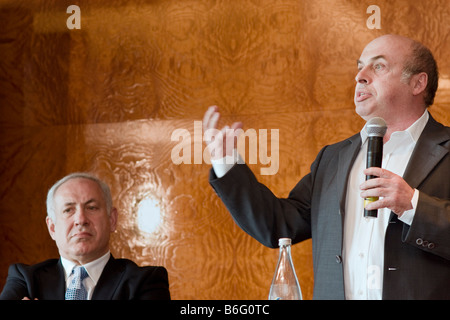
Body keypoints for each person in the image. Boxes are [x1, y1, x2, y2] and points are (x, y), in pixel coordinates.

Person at [203, 34, 449, 300]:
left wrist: (413, 205)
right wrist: (225, 163)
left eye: (378, 66)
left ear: (417, 83)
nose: (360, 76)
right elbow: (278, 225)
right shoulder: (332, 159)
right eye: (360, 67)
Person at [0, 173, 171, 300]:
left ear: (112, 220)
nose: (80, 219)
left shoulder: (147, 281)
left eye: (92, 207)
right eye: (68, 210)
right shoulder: (24, 279)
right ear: (52, 227)